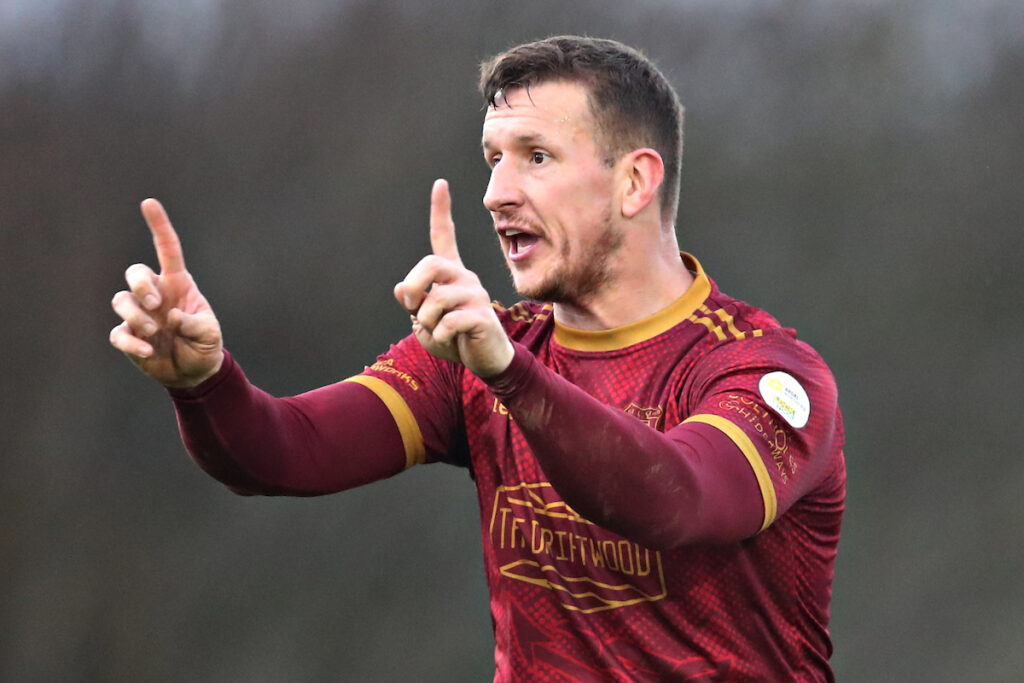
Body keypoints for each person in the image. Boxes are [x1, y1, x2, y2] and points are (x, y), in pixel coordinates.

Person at [110, 36, 845, 682]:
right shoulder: (483, 348)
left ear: (634, 181)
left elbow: (674, 499)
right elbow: (280, 451)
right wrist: (203, 382)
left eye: (536, 157)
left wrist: (509, 375)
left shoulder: (764, 372)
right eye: (492, 159)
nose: (496, 193)